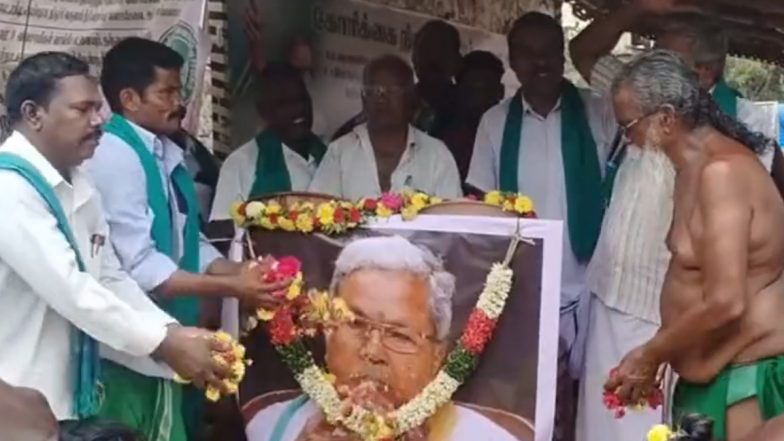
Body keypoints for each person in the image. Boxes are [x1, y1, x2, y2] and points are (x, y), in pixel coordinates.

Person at [568, 2, 784, 439]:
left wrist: (651, 352)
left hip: (741, 383)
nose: (624, 137)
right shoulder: (689, 168)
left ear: (666, 118)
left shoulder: (722, 174)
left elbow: (727, 300)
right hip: (707, 376)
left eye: (629, 126)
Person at [0, 51, 233, 429]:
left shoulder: (79, 182)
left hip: (69, 403)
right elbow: (74, 292)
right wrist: (165, 343)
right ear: (33, 115)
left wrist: (170, 331)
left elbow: (109, 276)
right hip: (19, 407)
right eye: (82, 109)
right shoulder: (9, 188)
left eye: (99, 109)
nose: (98, 122)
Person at [86, 37, 288, 441]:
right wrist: (233, 286)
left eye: (179, 90)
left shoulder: (158, 150)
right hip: (127, 354)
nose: (178, 102)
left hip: (161, 342)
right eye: (166, 92)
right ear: (129, 98)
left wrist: (239, 270)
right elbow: (142, 266)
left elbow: (186, 239)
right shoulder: (116, 155)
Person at [245, 236, 523, 441]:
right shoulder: (271, 425)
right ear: (328, 334)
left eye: (399, 335)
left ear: (437, 358)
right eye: (355, 324)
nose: (372, 351)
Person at [569, 0, 780, 172]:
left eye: (665, 63)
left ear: (704, 73)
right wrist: (637, 8)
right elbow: (583, 52)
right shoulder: (634, 96)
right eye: (652, 56)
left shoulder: (753, 124)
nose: (651, 68)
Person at [309, 55, 462, 200]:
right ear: (363, 98)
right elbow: (318, 213)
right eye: (373, 91)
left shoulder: (437, 155)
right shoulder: (340, 151)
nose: (381, 98)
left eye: (393, 91)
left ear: (411, 97)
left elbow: (453, 220)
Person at [210, 62, 325, 221]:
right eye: (284, 103)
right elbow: (222, 232)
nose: (298, 109)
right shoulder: (241, 164)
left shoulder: (331, 156)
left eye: (302, 99)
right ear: (264, 111)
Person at [330, 20, 462, 141]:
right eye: (427, 51)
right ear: (414, 59)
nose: (433, 59)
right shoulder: (402, 102)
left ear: (457, 61)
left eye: (440, 52)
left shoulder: (466, 110)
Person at [435, 50, 505, 184]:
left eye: (487, 90)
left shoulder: (511, 134)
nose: (480, 98)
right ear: (458, 91)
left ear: (500, 91)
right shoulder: (444, 137)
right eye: (472, 91)